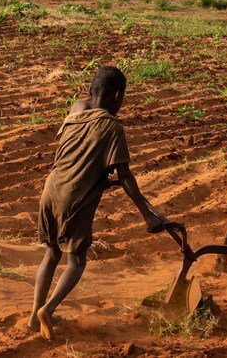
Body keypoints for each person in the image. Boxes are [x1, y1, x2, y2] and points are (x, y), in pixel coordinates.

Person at [29, 65, 179, 340]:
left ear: (91, 90)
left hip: (50, 189)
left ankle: (33, 315)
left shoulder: (76, 108)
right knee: (76, 262)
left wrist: (98, 179)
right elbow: (125, 176)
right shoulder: (112, 127)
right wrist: (148, 215)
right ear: (118, 96)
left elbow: (77, 153)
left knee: (51, 254)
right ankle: (47, 311)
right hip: (74, 198)